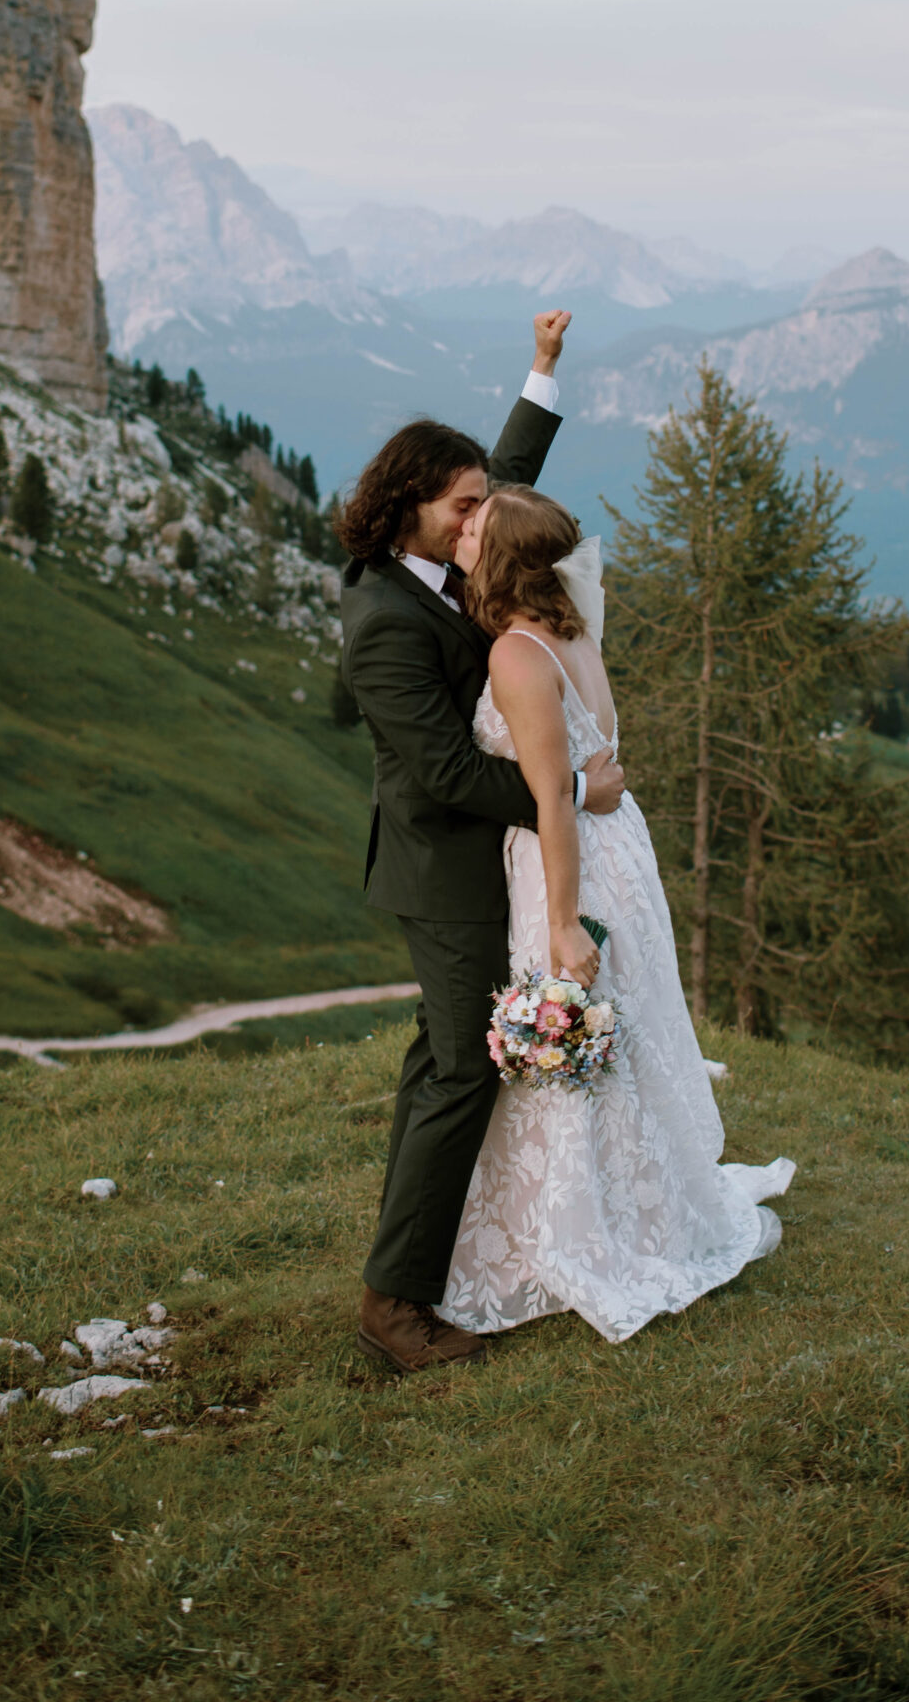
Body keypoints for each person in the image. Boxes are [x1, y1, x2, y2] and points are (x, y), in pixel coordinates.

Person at [337, 311, 627, 1375]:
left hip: (481, 864)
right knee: (464, 1072)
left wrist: (542, 374)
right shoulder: (382, 622)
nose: (480, 521)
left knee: (444, 1070)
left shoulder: (443, 554)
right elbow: (449, 775)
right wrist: (565, 793)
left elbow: (499, 480)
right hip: (445, 870)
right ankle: (394, 1306)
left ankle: (423, 1259)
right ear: (411, 511)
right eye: (463, 509)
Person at [438, 484, 795, 1344]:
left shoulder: (517, 657)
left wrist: (562, 922)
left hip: (570, 864)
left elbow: (554, 803)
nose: (461, 530)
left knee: (572, 1034)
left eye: (476, 526)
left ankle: (583, 1232)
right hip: (618, 851)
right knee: (613, 1034)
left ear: (503, 559)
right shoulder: (570, 628)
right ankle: (638, 1205)